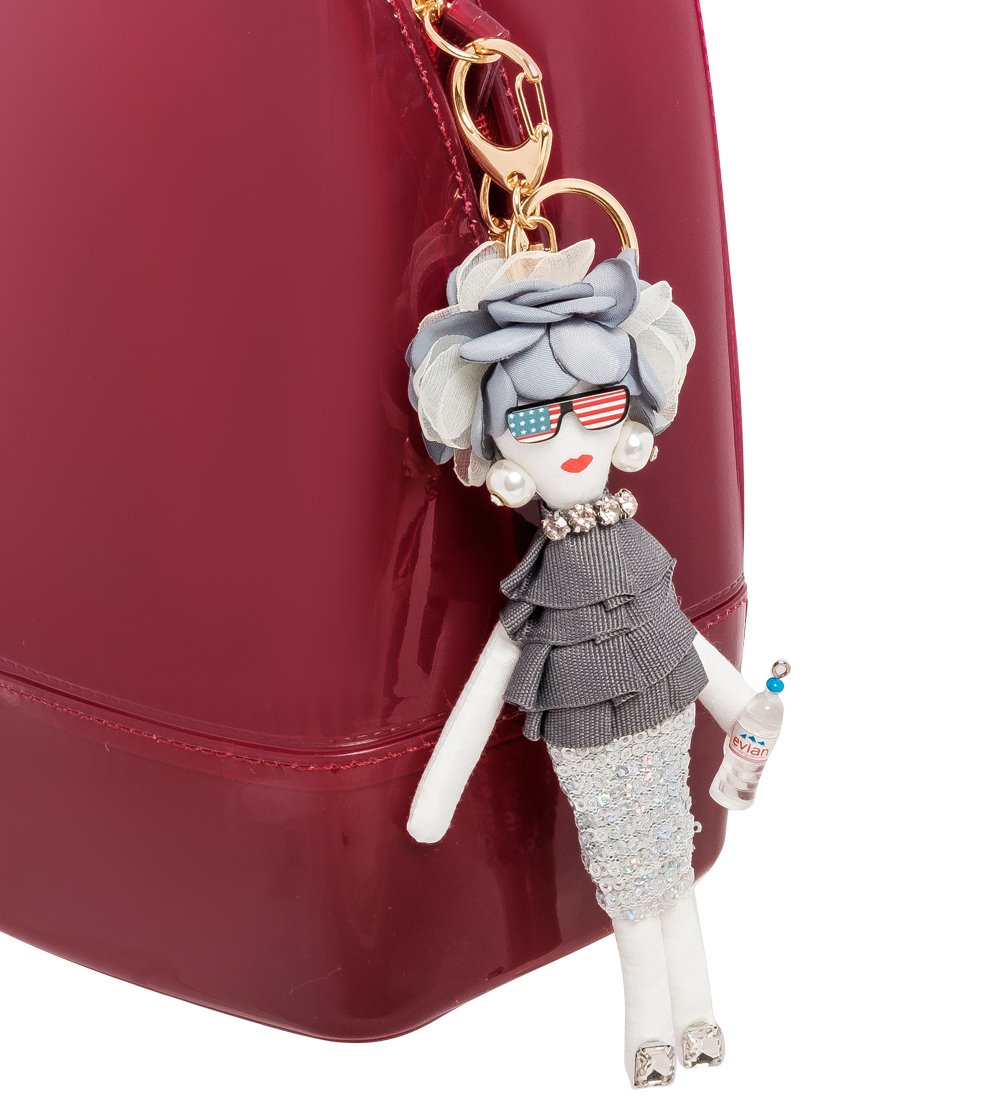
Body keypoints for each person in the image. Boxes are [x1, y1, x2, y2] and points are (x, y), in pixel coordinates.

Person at [404, 238, 756, 1088]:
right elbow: (491, 678)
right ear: (499, 451)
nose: (567, 436)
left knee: (673, 863)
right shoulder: (545, 583)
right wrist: (435, 797)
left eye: (595, 407)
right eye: (533, 420)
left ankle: (697, 1016)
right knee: (630, 883)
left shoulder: (635, 556)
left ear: (626, 417)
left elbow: (674, 634)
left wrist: (743, 709)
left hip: (663, 720)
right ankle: (650, 1032)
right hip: (589, 741)